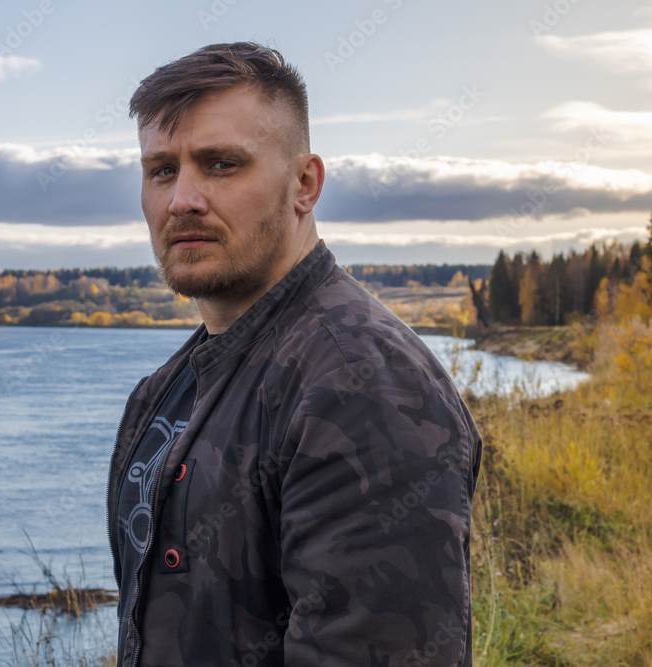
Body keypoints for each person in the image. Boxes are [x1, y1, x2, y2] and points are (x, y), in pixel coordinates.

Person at [106, 42, 482, 667]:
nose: (183, 200)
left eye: (222, 164)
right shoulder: (164, 390)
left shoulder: (361, 386)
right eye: (162, 170)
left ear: (304, 184)